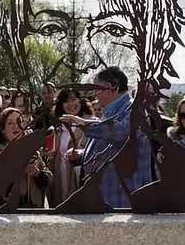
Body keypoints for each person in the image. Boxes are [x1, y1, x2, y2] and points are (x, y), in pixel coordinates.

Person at [61, 67, 152, 208]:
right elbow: (111, 148)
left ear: (109, 87)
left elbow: (121, 132)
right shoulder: (112, 110)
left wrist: (84, 124)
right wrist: (83, 155)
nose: (95, 95)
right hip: (107, 198)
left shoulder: (134, 109)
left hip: (123, 200)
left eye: (96, 89)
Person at [0, 108, 52, 208]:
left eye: (19, 122)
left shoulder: (33, 151)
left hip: (34, 210)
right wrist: (19, 172)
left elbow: (49, 180)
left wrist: (37, 173)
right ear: (3, 130)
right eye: (10, 123)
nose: (16, 126)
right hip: (7, 211)